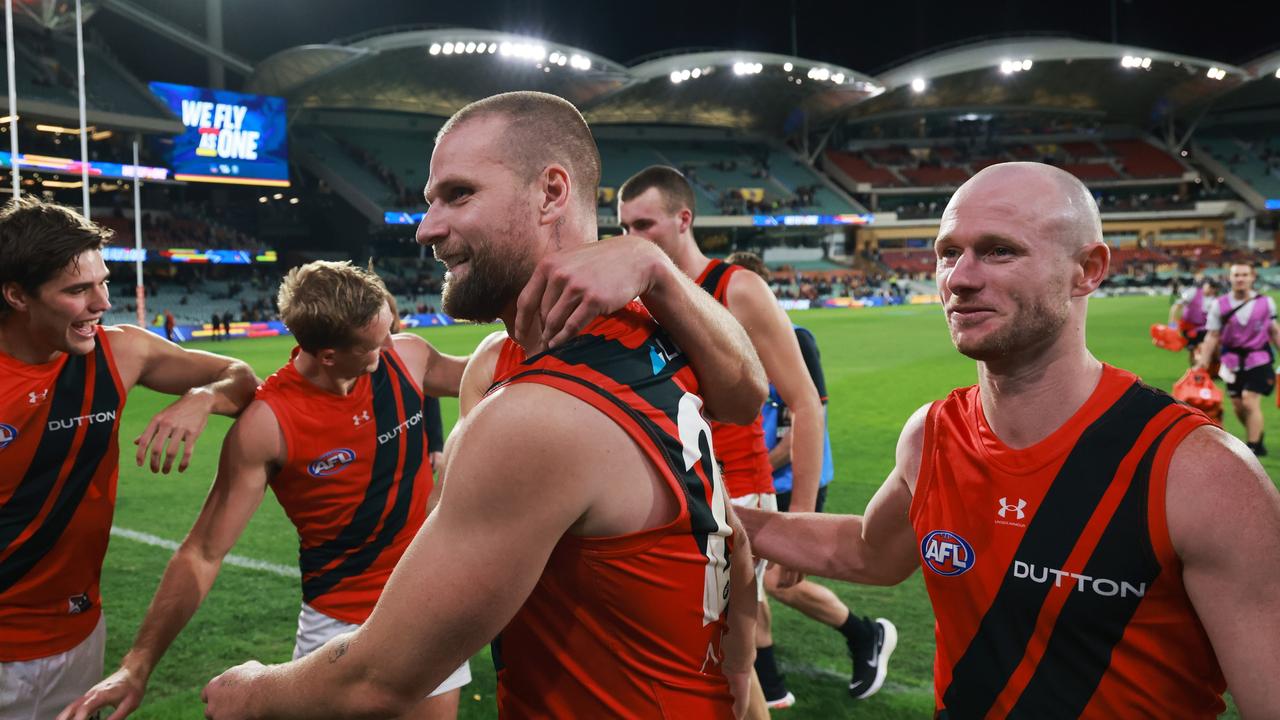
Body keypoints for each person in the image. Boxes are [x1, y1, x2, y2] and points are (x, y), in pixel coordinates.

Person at [199, 91, 768, 719]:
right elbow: (743, 406)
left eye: (458, 194)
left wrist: (248, 693)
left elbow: (377, 681)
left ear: (552, 192)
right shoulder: (639, 330)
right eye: (429, 202)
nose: (427, 228)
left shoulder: (537, 415)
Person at [739, 162, 1280, 719]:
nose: (959, 278)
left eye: (999, 250)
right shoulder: (931, 434)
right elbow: (868, 552)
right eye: (949, 252)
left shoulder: (1201, 474)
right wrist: (719, 515)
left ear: (1088, 270)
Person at [59, 261, 473, 720]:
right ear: (329, 355)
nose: (389, 348)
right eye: (375, 345)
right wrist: (137, 665)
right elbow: (203, 552)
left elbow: (485, 374)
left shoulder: (407, 357)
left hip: (428, 606)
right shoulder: (268, 424)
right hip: (337, 629)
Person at [0, 197, 258, 718]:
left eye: (103, 282)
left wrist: (202, 398)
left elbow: (241, 376)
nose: (102, 303)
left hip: (77, 636)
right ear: (17, 296)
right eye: (78, 290)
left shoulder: (121, 352)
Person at [618, 165, 829, 711]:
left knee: (719, 656)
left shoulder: (737, 288)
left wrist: (801, 520)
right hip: (680, 495)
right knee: (715, 654)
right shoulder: (641, 296)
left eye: (644, 225)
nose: (630, 240)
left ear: (684, 219)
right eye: (622, 228)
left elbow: (805, 403)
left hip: (739, 496)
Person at [727, 251, 897, 701]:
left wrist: (751, 470)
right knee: (752, 581)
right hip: (755, 478)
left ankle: (863, 635)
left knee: (774, 582)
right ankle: (772, 686)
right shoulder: (729, 337)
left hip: (791, 478)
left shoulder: (794, 340)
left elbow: (805, 420)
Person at [1195, 263, 1279, 456]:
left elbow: (1274, 331)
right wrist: (1203, 361)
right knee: (1238, 406)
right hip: (1231, 362)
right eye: (1236, 275)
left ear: (1252, 278)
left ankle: (1253, 446)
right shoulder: (1220, 304)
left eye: (1244, 275)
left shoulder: (1266, 302)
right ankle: (1256, 432)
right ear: (1230, 278)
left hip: (1259, 358)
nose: (1240, 279)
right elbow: (1212, 335)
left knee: (1250, 401)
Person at [1168, 272, 1217, 366]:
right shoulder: (1192, 292)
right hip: (1189, 327)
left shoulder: (1213, 298)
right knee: (1197, 348)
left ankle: (1198, 368)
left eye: (1213, 288)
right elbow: (1176, 307)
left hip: (1204, 328)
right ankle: (1197, 368)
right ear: (1204, 285)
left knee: (1201, 347)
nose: (1211, 290)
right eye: (1210, 287)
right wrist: (1172, 325)